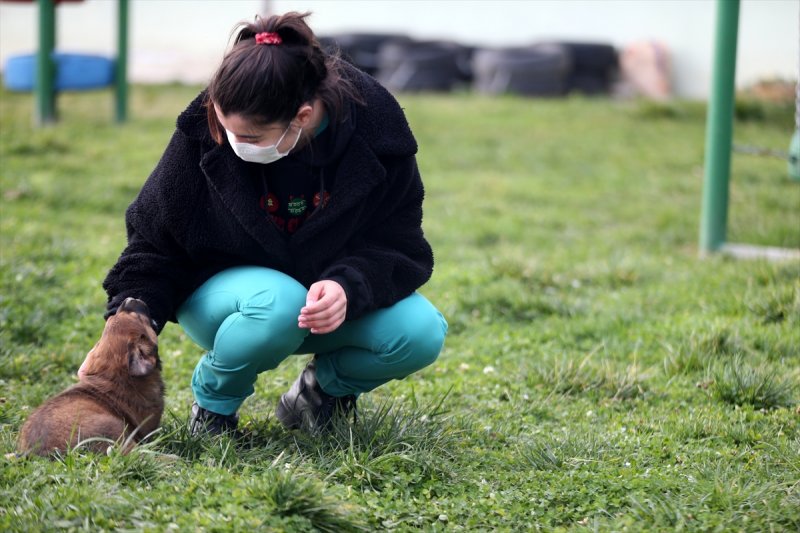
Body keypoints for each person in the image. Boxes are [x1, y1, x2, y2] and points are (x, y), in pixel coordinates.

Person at [99, 12, 448, 436]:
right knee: (278, 301)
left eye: (249, 138)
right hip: (232, 303)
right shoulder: (207, 122)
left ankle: (320, 395)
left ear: (302, 116)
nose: (232, 144)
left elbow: (400, 242)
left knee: (421, 331)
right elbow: (154, 237)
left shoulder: (378, 134)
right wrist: (133, 314)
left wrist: (348, 285)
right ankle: (213, 410)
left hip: (321, 310)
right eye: (226, 130)